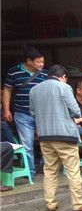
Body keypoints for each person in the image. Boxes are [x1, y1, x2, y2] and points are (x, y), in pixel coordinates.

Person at [29, 65, 82, 211]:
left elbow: (33, 113)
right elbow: (76, 111)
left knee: (50, 170)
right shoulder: (64, 88)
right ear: (63, 77)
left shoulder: (34, 90)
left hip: (44, 136)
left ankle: (50, 203)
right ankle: (79, 203)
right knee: (73, 170)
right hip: (65, 136)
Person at [2, 47, 48, 177]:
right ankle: (30, 172)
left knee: (46, 143)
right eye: (38, 62)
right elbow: (7, 90)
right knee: (27, 145)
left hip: (42, 115)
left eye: (42, 61)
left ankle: (49, 170)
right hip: (22, 114)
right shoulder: (13, 72)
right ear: (29, 61)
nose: (42, 65)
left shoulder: (45, 74)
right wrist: (6, 110)